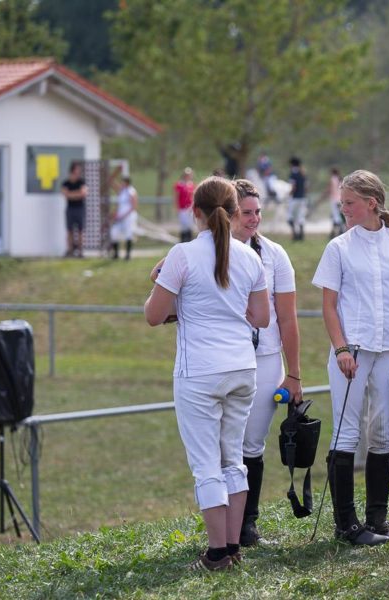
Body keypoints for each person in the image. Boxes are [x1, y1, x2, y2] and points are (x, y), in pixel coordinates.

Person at [144, 176, 269, 571]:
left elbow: (154, 315)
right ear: (233, 213)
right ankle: (232, 546)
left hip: (199, 370)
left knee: (206, 465)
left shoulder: (181, 255)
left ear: (194, 211)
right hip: (242, 366)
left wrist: (162, 283)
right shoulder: (250, 257)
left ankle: (216, 554)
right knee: (234, 460)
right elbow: (261, 317)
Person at [312, 169, 389, 546]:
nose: (343, 209)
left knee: (383, 432)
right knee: (347, 431)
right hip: (352, 353)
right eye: (342, 203)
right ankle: (346, 524)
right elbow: (328, 306)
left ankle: (377, 520)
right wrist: (341, 348)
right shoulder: (338, 248)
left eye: (349, 203)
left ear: (371, 203)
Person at [229, 179, 303, 547]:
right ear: (228, 214)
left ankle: (247, 525)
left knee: (252, 444)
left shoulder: (274, 254)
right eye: (246, 212)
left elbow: (287, 318)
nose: (254, 218)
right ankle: (222, 526)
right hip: (225, 357)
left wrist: (294, 374)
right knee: (224, 446)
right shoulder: (210, 251)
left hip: (266, 359)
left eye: (257, 212)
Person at [61, 162, 87, 258]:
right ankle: (70, 251)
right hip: (70, 209)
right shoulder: (66, 183)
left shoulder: (82, 182)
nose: (79, 172)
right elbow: (65, 194)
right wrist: (77, 194)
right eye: (77, 170)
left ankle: (80, 252)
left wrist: (71, 194)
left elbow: (83, 194)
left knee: (81, 231)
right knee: (69, 231)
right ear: (72, 171)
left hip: (80, 208)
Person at [110, 176, 138, 260]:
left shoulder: (131, 191)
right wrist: (115, 213)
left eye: (123, 182)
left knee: (128, 235)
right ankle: (116, 254)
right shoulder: (122, 192)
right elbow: (119, 205)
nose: (121, 184)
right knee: (114, 233)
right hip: (120, 217)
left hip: (128, 217)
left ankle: (128, 255)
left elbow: (133, 206)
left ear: (127, 183)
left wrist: (124, 215)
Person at [287, 157, 308, 241]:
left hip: (295, 198)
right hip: (302, 198)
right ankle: (301, 235)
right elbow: (306, 188)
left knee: (290, 217)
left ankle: (295, 234)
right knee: (300, 217)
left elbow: (293, 187)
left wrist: (288, 194)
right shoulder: (303, 173)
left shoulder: (293, 173)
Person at [174, 168, 195, 243]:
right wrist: (176, 207)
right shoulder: (180, 184)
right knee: (184, 226)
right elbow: (176, 196)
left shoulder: (191, 184)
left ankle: (189, 240)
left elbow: (193, 196)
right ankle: (183, 240)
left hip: (190, 208)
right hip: (182, 208)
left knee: (190, 225)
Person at [327, 167, 346, 238]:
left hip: (334, 200)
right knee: (339, 215)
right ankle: (338, 231)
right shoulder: (341, 180)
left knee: (336, 216)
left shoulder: (332, 179)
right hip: (340, 200)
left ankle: (338, 231)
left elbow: (329, 189)